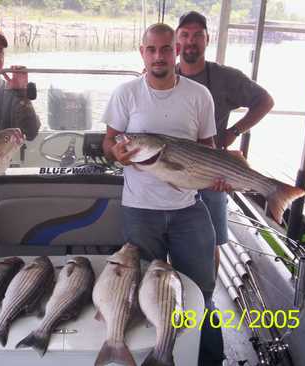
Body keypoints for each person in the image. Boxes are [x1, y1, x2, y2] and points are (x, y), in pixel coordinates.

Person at [102, 23, 225, 366]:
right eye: (151, 50)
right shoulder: (126, 93)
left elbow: (208, 149)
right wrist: (118, 152)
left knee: (203, 290)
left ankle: (210, 358)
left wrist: (215, 176)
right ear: (142, 53)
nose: (159, 56)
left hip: (188, 207)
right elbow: (110, 141)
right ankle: (152, 356)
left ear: (175, 51)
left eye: (165, 49)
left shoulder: (199, 96)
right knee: (140, 292)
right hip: (140, 210)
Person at [176, 11, 274, 271]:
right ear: (176, 42)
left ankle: (207, 303)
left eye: (198, 35)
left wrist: (234, 132)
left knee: (211, 243)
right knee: (171, 239)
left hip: (213, 172)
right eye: (185, 35)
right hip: (173, 170)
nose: (191, 41)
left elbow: (265, 101)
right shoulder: (162, 77)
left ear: (208, 39)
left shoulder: (225, 78)